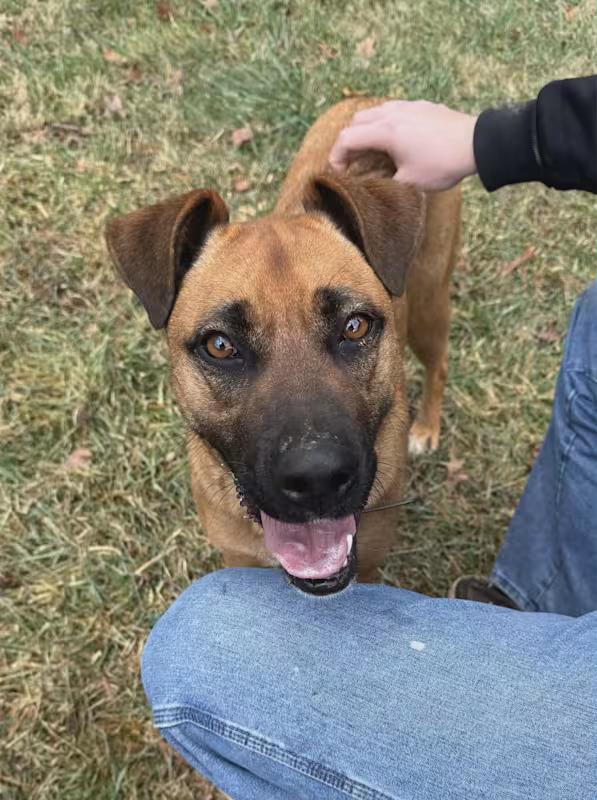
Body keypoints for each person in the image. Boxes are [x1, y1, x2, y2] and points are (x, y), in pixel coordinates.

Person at [141, 77, 597, 799]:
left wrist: (419, 388)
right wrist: (500, 138)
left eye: (352, 329)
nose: (315, 462)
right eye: (224, 348)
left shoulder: (372, 255)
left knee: (427, 326)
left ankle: (436, 385)